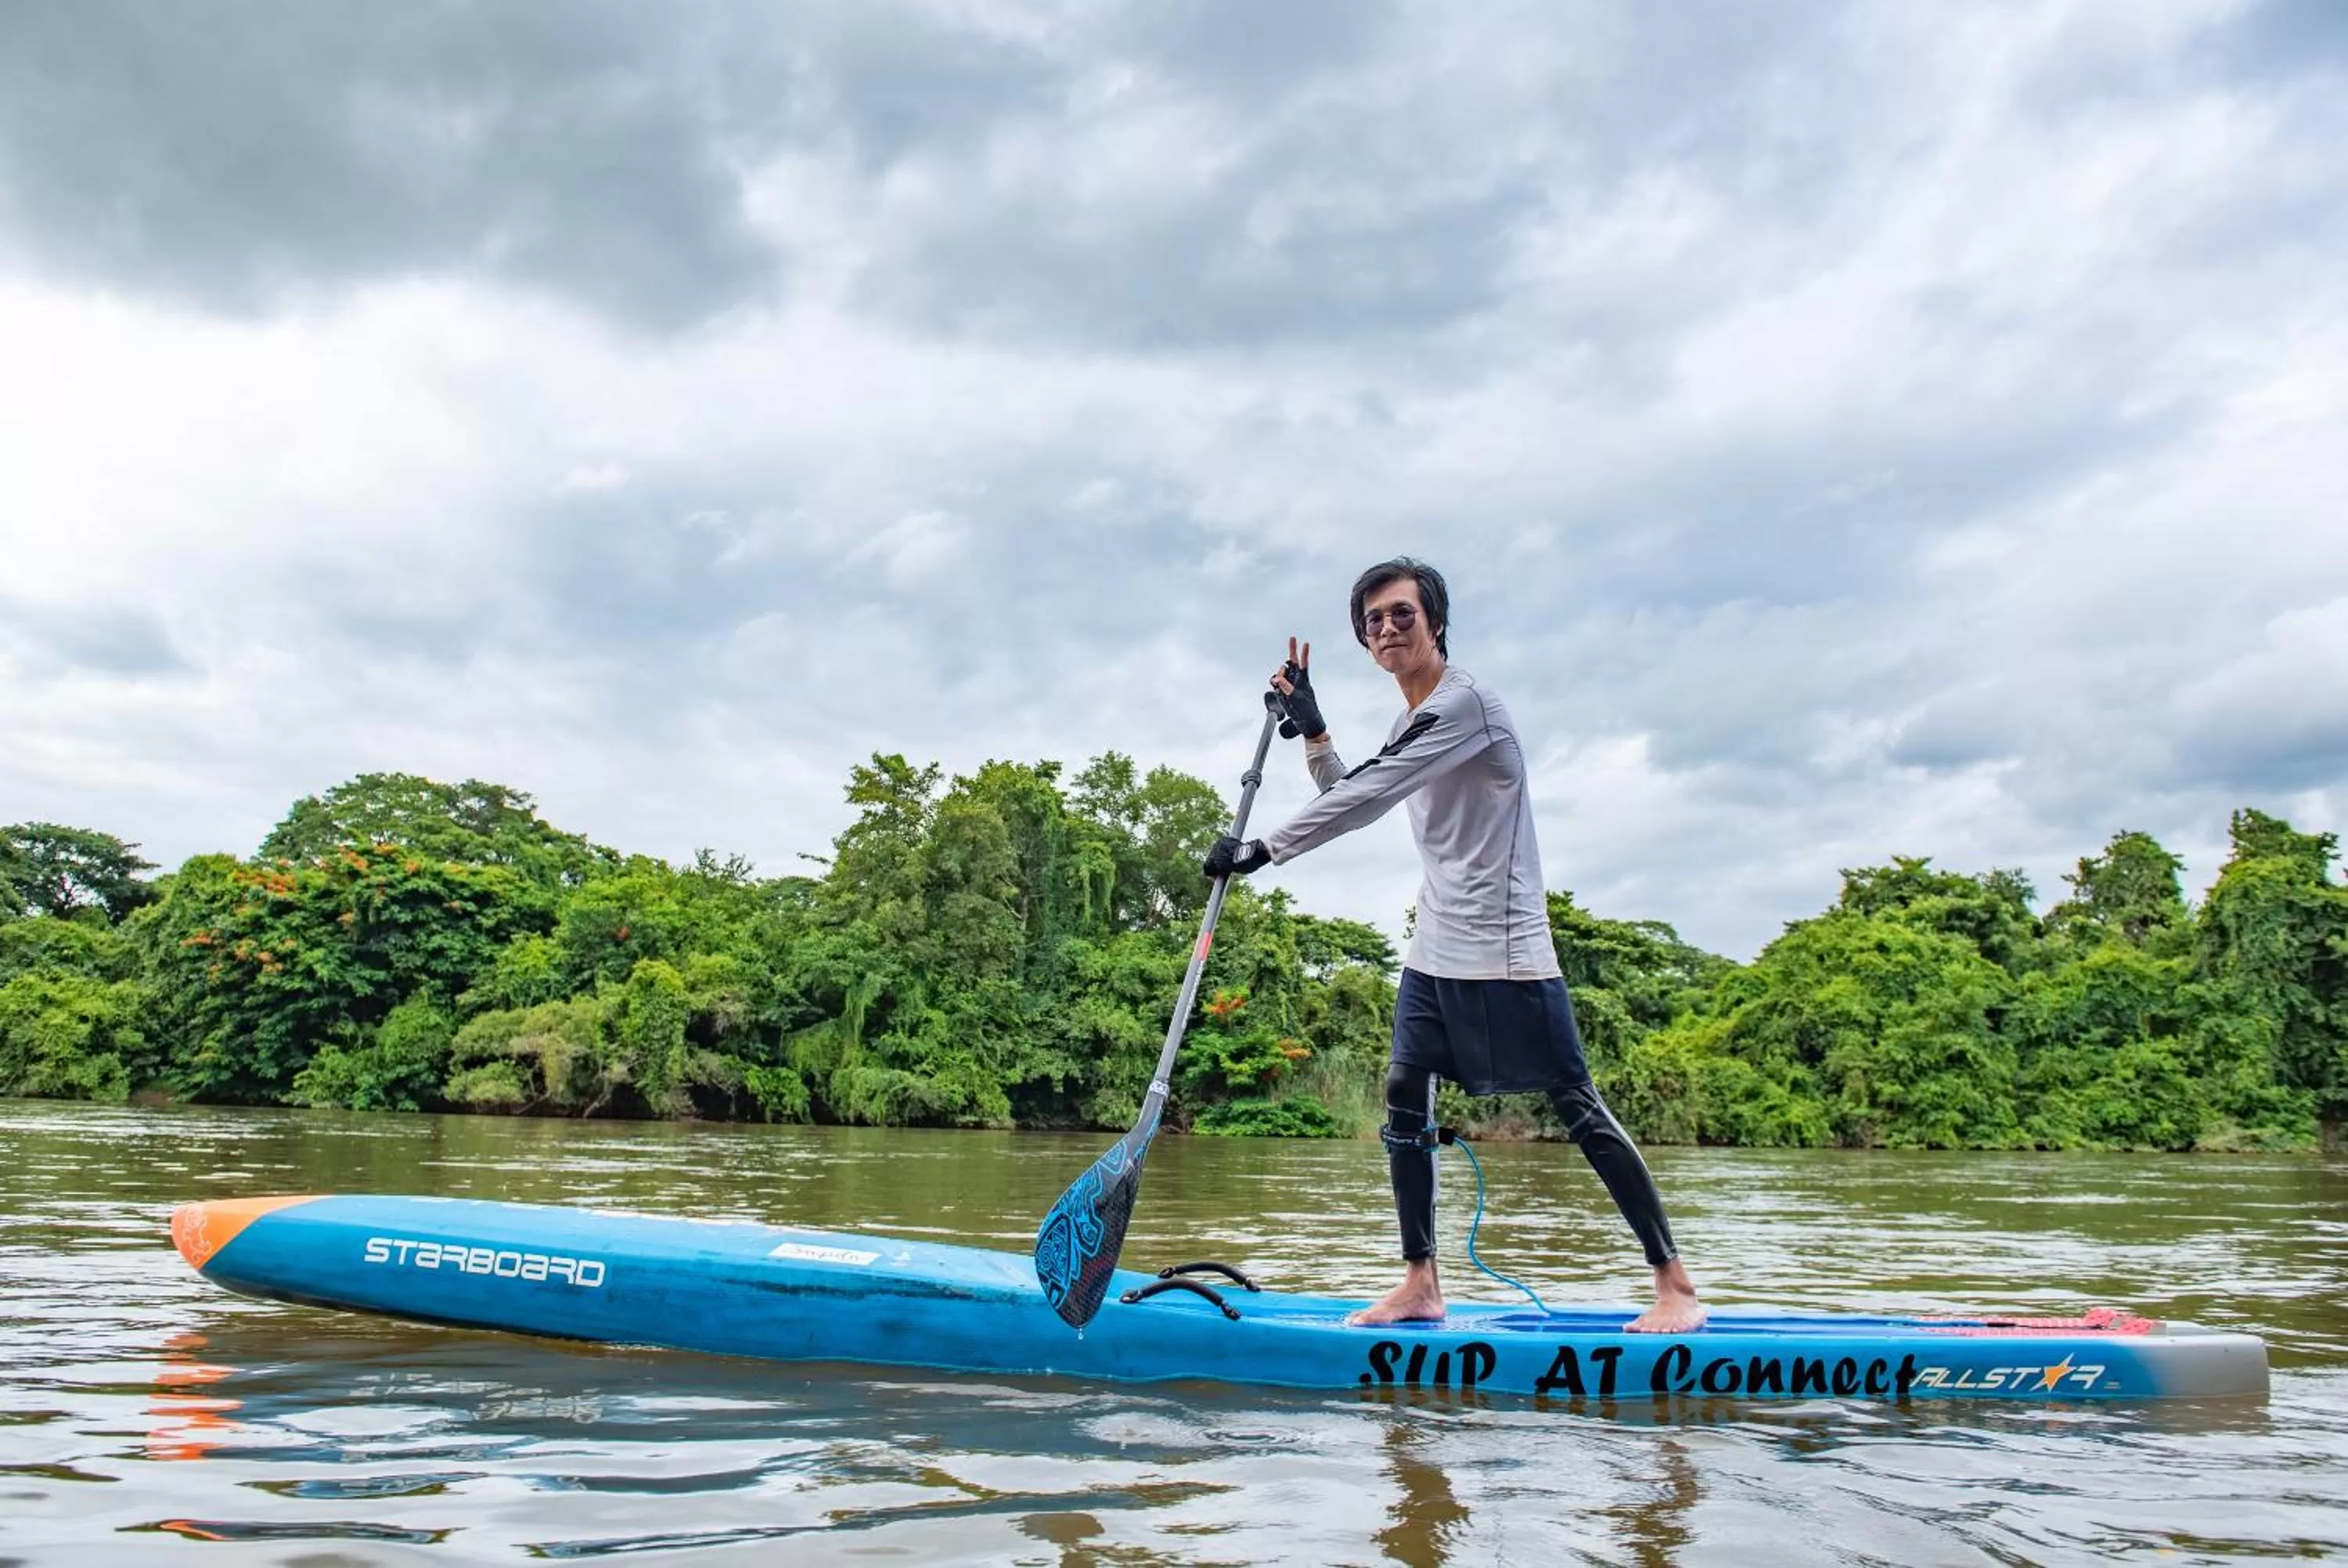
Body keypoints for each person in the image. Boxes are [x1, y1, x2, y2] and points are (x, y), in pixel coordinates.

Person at [1202, 557, 1706, 1332]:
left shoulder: (1465, 704)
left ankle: (1675, 1287)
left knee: (1574, 1100)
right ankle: (1420, 1283)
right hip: (1436, 942)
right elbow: (1356, 786)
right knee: (1405, 1088)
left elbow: (1365, 798)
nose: (1387, 628)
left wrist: (1263, 850)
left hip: (1504, 943)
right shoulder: (1411, 724)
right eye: (1372, 621)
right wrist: (1313, 727)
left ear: (1435, 621)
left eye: (1402, 613)